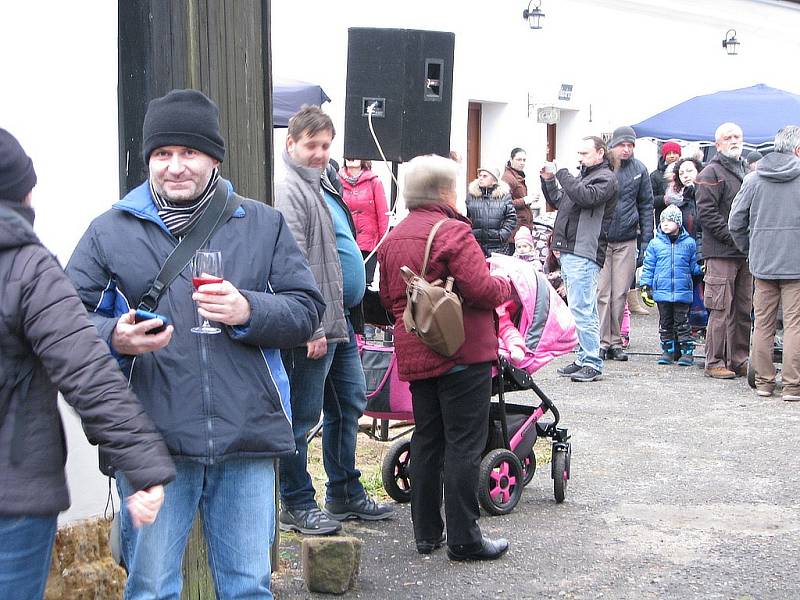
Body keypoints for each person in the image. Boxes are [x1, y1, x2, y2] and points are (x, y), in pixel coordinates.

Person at [66, 89, 325, 599]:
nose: (175, 166)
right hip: (152, 440)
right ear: (149, 160)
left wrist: (249, 310)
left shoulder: (262, 223)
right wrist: (113, 336)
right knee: (151, 587)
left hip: (246, 433)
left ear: (213, 158)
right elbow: (64, 321)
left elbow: (307, 310)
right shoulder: (109, 230)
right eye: (163, 154)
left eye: (189, 153)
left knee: (248, 587)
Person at [0, 129, 175, 600]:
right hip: (11, 494)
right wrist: (144, 468)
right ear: (23, 192)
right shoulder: (27, 268)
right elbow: (87, 373)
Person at [377, 154, 511, 561]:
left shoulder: (394, 235)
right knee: (464, 446)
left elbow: (388, 299)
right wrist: (506, 284)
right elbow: (483, 290)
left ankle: (426, 534)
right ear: (444, 191)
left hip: (417, 352)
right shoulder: (452, 231)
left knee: (428, 440)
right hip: (461, 351)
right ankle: (465, 539)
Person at [275, 106, 393, 537]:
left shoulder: (323, 182)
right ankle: (296, 503)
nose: (321, 153)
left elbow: (336, 252)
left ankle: (343, 492)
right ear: (291, 144)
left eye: (326, 145)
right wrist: (312, 327)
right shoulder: (287, 188)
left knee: (349, 404)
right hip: (313, 326)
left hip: (340, 319)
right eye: (312, 145)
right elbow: (294, 263)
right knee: (301, 418)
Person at [729, 126, 800, 401]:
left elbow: (735, 223)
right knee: (794, 324)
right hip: (795, 264)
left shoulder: (753, 179)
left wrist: (751, 250)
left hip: (762, 263)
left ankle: (764, 383)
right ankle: (793, 386)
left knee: (763, 323)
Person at [540, 136, 618, 382]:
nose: (580, 158)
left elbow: (584, 196)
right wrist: (549, 181)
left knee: (583, 309)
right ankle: (584, 357)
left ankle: (592, 362)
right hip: (572, 250)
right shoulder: (584, 177)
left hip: (585, 250)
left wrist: (561, 172)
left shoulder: (606, 178)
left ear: (600, 154)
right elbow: (561, 200)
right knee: (580, 308)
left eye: (584, 154)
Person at [696, 122, 752, 379]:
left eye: (737, 136)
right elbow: (706, 213)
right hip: (721, 251)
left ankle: (739, 359)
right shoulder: (710, 172)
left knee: (742, 308)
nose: (734, 140)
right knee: (720, 309)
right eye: (728, 137)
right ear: (717, 143)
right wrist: (735, 237)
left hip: (743, 253)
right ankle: (714, 361)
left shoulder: (746, 170)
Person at [598, 126, 654, 362]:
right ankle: (602, 341)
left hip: (627, 237)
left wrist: (647, 238)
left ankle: (615, 341)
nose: (627, 149)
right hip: (601, 240)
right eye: (623, 144)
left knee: (620, 293)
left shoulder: (639, 169)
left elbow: (646, 205)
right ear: (613, 145)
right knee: (602, 293)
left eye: (630, 145)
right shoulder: (602, 167)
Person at [640, 205, 703, 366]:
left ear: (678, 223)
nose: (665, 224)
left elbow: (693, 266)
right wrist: (645, 285)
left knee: (683, 323)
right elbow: (649, 266)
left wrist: (701, 268)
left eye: (670, 221)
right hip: (662, 291)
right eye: (663, 221)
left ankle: (686, 352)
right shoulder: (655, 244)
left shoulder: (689, 243)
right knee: (665, 323)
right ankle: (667, 351)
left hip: (682, 291)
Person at [339, 158, 389, 283]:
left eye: (356, 154)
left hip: (368, 247)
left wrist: (383, 249)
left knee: (365, 285)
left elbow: (383, 218)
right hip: (345, 244)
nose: (351, 157)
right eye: (349, 154)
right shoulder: (336, 181)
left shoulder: (374, 182)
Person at [466, 167, 517, 256]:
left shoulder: (503, 196)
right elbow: (466, 217)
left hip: (498, 246)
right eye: (480, 175)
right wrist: (470, 234)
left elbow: (511, 218)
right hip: (476, 245)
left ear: (494, 180)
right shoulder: (471, 196)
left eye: (485, 176)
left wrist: (502, 235)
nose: (481, 178)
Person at [502, 147, 532, 239]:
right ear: (511, 160)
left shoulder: (518, 176)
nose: (522, 162)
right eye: (519, 159)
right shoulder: (508, 178)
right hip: (515, 227)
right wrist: (524, 200)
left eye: (524, 160)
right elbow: (503, 203)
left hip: (522, 226)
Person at [651, 140, 682, 223]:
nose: (672, 156)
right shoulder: (655, 175)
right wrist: (663, 199)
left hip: (684, 217)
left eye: (675, 153)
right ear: (664, 156)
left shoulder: (685, 172)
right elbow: (649, 200)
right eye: (669, 153)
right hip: (664, 220)